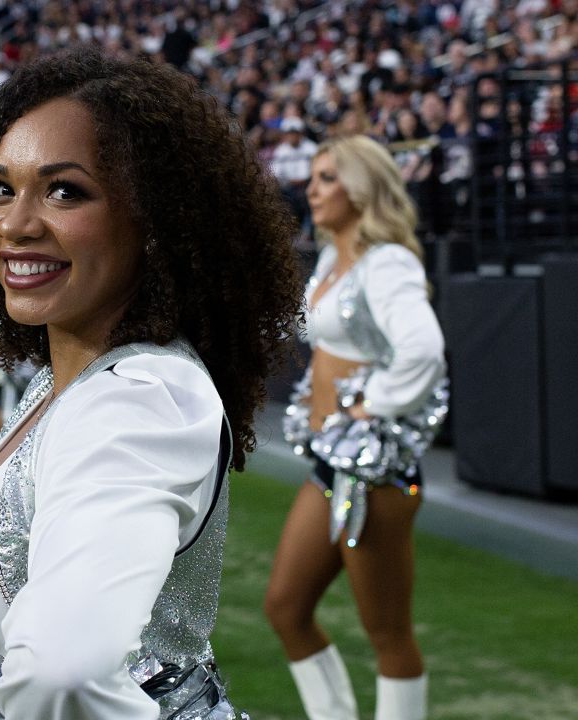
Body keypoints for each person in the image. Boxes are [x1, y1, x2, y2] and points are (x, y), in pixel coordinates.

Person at [0, 47, 303, 719]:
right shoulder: (63, 380)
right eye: (0, 188)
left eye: (65, 190)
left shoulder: (140, 402)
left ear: (158, 223)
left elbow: (62, 677)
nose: (15, 223)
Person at [268, 136, 447, 720]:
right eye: (312, 178)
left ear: (361, 187)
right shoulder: (328, 259)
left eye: (327, 178)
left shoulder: (387, 261)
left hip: (375, 473)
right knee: (286, 607)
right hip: (330, 462)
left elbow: (423, 349)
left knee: (387, 632)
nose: (311, 189)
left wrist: (373, 407)